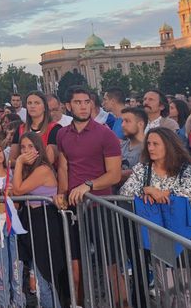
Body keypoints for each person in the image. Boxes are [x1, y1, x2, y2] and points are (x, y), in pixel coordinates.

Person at [120, 128, 191, 307]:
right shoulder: (143, 169)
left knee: (187, 286)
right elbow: (125, 191)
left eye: (155, 144)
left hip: (183, 232)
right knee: (165, 286)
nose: (150, 147)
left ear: (169, 145)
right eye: (148, 143)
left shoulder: (184, 168)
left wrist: (164, 194)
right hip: (157, 232)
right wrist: (146, 190)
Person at [55, 86, 121, 305]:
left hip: (100, 206)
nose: (83, 106)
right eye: (78, 102)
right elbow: (63, 167)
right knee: (76, 266)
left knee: (111, 265)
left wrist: (88, 185)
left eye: (87, 102)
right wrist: (62, 194)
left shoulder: (105, 134)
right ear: (68, 106)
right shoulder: (63, 134)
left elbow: (114, 174)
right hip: (74, 209)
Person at [12, 132, 65, 308]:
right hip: (31, 221)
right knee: (38, 274)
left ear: (38, 149)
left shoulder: (42, 169)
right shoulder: (31, 170)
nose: (26, 151)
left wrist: (18, 162)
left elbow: (18, 190)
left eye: (30, 147)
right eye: (23, 147)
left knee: (45, 277)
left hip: (44, 222)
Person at [0, 140, 25, 308]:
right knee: (0, 271)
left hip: (13, 225)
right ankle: (3, 303)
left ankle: (18, 303)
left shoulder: (12, 173)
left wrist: (11, 195)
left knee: (16, 269)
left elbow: (18, 201)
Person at [10, 91, 61, 165]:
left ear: (44, 107)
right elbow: (11, 160)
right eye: (29, 103)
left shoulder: (55, 129)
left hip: (46, 174)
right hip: (23, 174)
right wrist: (21, 162)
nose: (32, 106)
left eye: (37, 103)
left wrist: (26, 161)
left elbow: (49, 161)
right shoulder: (20, 129)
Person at [119, 107, 147, 183]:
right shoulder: (121, 145)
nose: (122, 125)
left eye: (127, 121)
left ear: (140, 124)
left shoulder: (148, 148)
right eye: (122, 121)